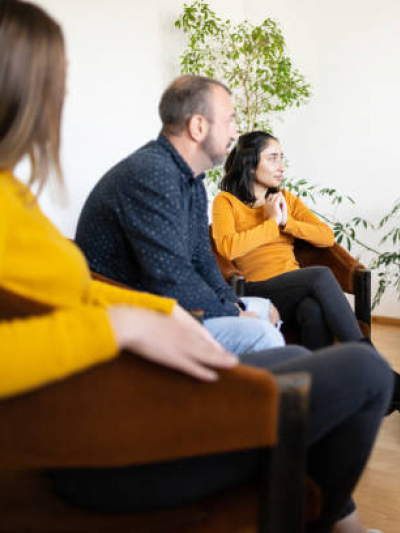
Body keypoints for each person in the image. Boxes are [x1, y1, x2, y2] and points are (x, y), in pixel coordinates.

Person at [0, 4, 390, 532]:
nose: (63, 94)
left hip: (116, 414)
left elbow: (88, 293)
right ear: (15, 84)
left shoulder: (1, 192)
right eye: (58, 77)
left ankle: (331, 519)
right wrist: (126, 325)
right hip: (104, 450)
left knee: (302, 360)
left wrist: (161, 314)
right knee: (361, 375)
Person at [213, 131, 400, 414]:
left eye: (282, 158)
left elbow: (325, 236)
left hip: (293, 289)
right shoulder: (226, 202)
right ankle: (377, 370)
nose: (282, 166)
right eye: (273, 158)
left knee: (313, 311)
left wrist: (286, 223)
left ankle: (318, 403)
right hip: (255, 290)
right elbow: (228, 248)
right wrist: (270, 223)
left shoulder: (285, 200)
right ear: (248, 163)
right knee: (318, 276)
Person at [74, 77, 284, 355]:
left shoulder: (190, 180)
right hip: (138, 316)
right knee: (262, 335)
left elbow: (202, 259)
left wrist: (232, 304)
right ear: (198, 127)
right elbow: (170, 277)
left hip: (172, 303)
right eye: (229, 121)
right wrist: (234, 314)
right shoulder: (152, 174)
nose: (235, 134)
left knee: (266, 309)